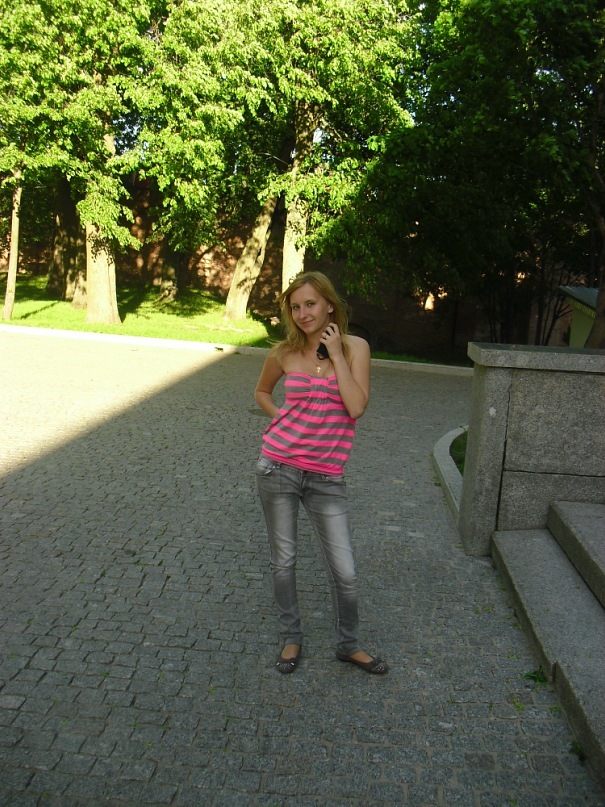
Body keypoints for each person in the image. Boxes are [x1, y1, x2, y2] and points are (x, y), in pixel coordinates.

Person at [254, 271, 388, 675]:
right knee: (284, 561)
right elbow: (262, 392)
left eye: (310, 304)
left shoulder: (356, 348)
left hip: (326, 476)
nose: (303, 313)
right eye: (295, 307)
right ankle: (291, 637)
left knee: (344, 570)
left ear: (329, 304)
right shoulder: (284, 352)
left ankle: (349, 645)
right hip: (278, 467)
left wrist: (336, 356)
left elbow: (356, 407)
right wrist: (282, 418)